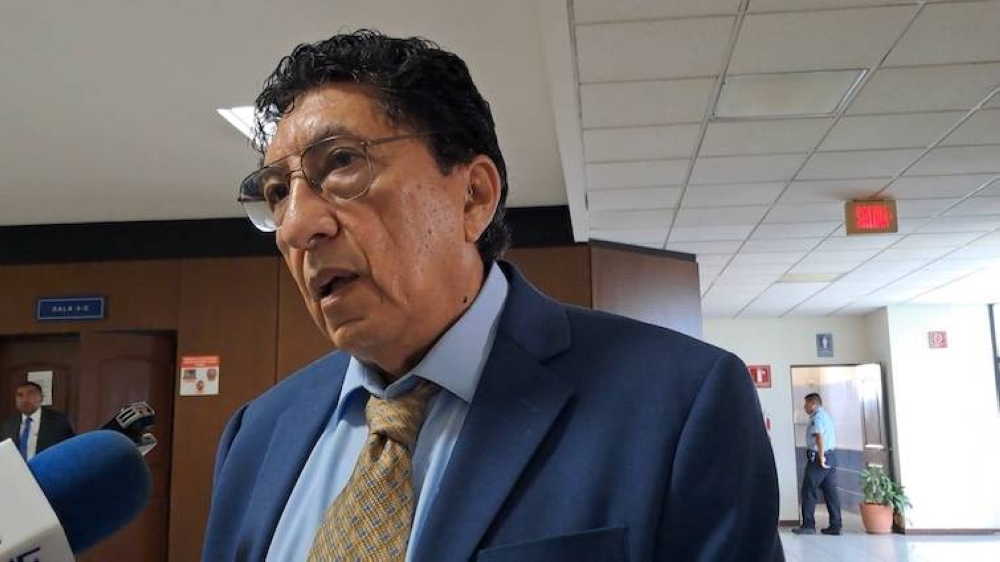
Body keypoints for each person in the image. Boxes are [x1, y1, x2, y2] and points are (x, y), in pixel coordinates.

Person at [204, 30, 783, 561]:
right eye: (277, 193)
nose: (296, 226)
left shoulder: (680, 405)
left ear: (474, 197)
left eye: (342, 162)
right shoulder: (257, 435)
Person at [792, 392, 842, 536]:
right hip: (831, 456)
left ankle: (808, 525)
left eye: (806, 404)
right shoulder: (825, 416)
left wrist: (820, 456)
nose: (804, 407)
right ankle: (836, 525)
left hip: (820, 459)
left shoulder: (817, 418)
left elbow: (819, 437)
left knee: (809, 490)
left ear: (813, 404)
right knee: (830, 492)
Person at [0, 381, 75, 461]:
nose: (24, 399)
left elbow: (68, 451)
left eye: (30, 394)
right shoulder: (8, 425)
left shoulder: (58, 422)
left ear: (41, 398)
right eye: (20, 395)